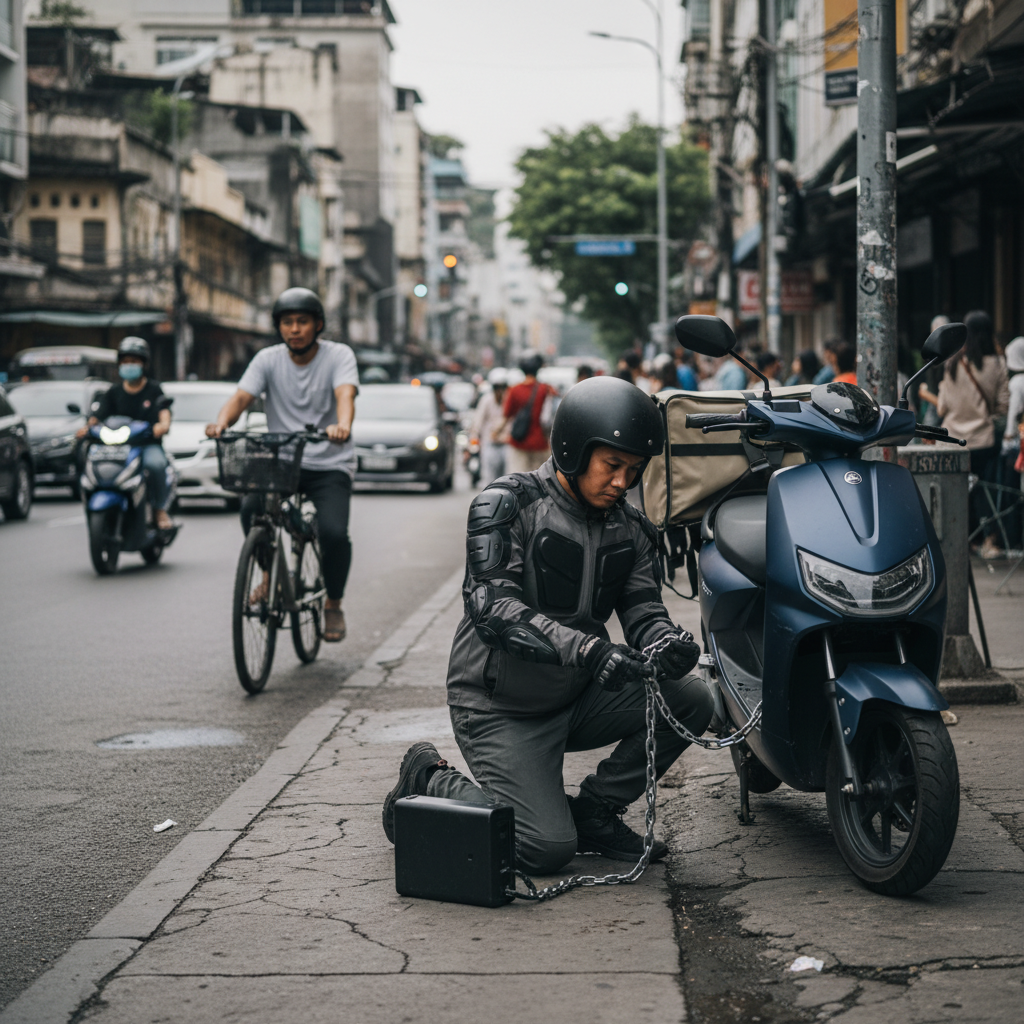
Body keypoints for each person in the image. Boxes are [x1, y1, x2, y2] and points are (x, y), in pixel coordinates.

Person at [380, 376, 712, 873]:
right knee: (544, 848)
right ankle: (428, 776)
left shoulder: (633, 528)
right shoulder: (506, 505)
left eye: (635, 470)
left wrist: (666, 643)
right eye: (612, 466)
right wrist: (592, 652)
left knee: (692, 697)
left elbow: (643, 610)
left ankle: (596, 811)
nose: (623, 482)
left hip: (575, 696)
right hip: (498, 707)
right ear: (574, 450)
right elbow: (494, 611)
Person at [206, 287, 358, 641]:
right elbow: (242, 396)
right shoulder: (267, 359)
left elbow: (344, 394)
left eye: (302, 322)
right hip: (283, 460)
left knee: (333, 534)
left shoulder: (339, 356)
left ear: (317, 325)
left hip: (328, 461)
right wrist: (222, 422)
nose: (294, 329)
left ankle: (333, 605)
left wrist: (343, 425)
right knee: (250, 511)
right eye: (287, 322)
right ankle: (268, 575)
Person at [919, 310, 1010, 558]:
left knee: (957, 489)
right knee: (983, 488)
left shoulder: (952, 363)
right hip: (983, 440)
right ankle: (986, 538)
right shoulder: (998, 364)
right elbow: (1003, 406)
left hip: (953, 439)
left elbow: (943, 406)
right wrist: (983, 417)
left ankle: (960, 540)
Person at [77, 337, 174, 530]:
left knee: (156, 465)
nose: (129, 366)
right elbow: (97, 417)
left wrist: (162, 426)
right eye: (125, 362)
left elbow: (164, 413)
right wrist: (87, 428)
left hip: (146, 445)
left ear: (144, 364)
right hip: (116, 445)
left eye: (134, 361)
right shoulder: (113, 391)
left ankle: (159, 510)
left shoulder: (154, 389)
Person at [499, 352, 556, 474]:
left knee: (518, 479)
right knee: (540, 479)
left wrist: (496, 431)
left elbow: (506, 416)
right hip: (540, 443)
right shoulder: (546, 389)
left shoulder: (514, 390)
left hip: (519, 442)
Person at [471, 368, 509, 484]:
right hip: (490, 443)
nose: (500, 391)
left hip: (506, 444)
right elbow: (478, 421)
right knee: (491, 479)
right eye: (497, 387)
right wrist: (474, 437)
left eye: (502, 387)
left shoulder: (509, 400)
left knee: (507, 478)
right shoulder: (486, 400)